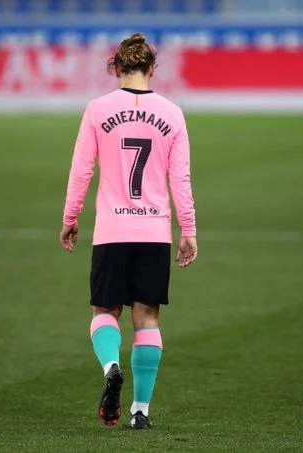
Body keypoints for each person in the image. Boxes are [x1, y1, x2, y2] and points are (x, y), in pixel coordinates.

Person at [60, 33, 197, 429]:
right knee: (147, 317)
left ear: (116, 68)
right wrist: (188, 228)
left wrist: (70, 217)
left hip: (112, 230)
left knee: (105, 311)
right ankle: (140, 412)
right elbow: (180, 178)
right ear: (153, 68)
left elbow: (81, 170)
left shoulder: (97, 110)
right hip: (154, 231)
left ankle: (111, 368)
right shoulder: (172, 114)